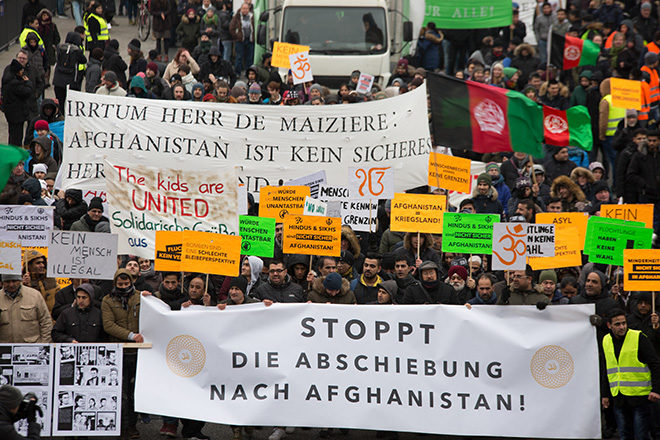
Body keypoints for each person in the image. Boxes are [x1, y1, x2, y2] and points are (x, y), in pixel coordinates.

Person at [102, 269, 147, 439]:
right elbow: (108, 324)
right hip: (118, 352)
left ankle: (132, 426)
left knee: (134, 392)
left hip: (137, 353)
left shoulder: (141, 297)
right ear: (115, 283)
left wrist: (151, 298)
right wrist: (130, 336)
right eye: (120, 284)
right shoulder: (107, 300)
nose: (123, 287)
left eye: (126, 284)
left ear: (131, 282)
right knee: (121, 392)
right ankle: (119, 425)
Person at [601, 309, 660, 440]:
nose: (622, 327)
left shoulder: (638, 337)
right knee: (624, 435)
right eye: (617, 324)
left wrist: (656, 390)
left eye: (624, 323)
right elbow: (607, 369)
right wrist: (605, 394)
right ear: (609, 326)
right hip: (619, 398)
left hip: (640, 397)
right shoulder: (606, 340)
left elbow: (655, 364)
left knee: (641, 436)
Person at [0, 273, 52, 343]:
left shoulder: (35, 295)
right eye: (7, 282)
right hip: (5, 349)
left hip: (32, 348)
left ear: (20, 280)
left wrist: (44, 345)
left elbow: (46, 322)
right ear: (2, 282)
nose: (11, 285)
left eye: (14, 281)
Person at [2, 53, 34, 146]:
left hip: (10, 112)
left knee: (12, 135)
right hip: (17, 114)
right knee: (17, 137)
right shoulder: (15, 84)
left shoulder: (7, 77)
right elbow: (27, 92)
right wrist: (28, 82)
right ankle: (16, 157)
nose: (22, 72)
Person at [52, 32, 86, 113]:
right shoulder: (77, 51)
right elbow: (84, 60)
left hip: (58, 80)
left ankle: (60, 117)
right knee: (71, 103)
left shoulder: (59, 48)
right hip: (71, 81)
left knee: (60, 101)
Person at [24, 249, 59, 313]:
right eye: (38, 263)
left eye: (43, 262)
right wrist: (25, 286)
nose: (42, 265)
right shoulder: (20, 282)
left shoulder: (51, 280)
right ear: (28, 265)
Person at [230, 2, 254, 77]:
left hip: (250, 40)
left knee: (249, 58)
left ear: (249, 9)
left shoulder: (252, 16)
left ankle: (248, 73)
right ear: (241, 9)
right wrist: (237, 36)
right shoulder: (237, 17)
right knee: (239, 57)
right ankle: (237, 73)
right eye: (243, 8)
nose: (245, 10)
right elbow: (231, 28)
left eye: (246, 9)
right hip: (240, 41)